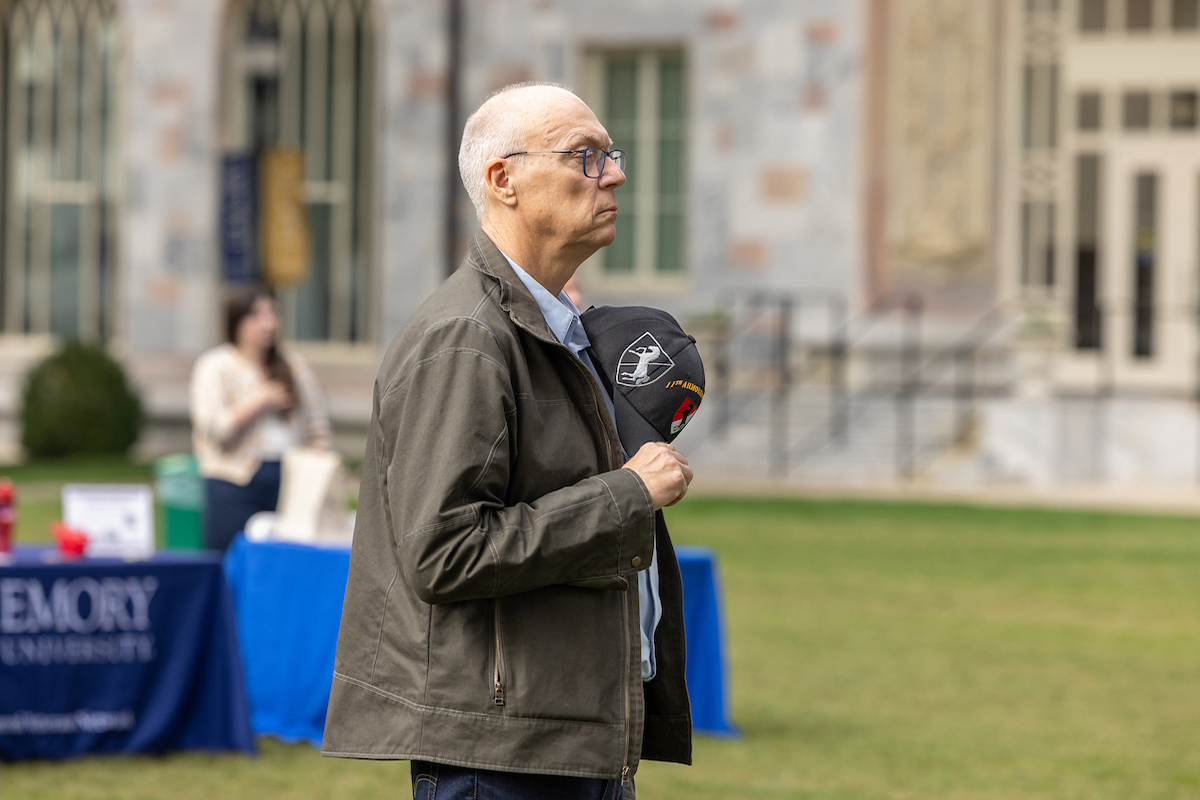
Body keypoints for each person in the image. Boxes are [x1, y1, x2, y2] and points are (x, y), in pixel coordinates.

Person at [322, 82, 694, 799]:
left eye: (609, 155)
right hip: (500, 757)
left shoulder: (550, 327)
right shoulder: (466, 339)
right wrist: (629, 493)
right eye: (585, 156)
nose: (613, 174)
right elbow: (445, 552)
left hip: (563, 737)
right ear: (504, 180)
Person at [189, 285, 332, 552]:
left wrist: (320, 471)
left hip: (291, 480)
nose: (268, 323)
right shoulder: (216, 365)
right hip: (234, 481)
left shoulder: (293, 365)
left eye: (273, 314)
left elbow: (318, 427)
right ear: (236, 321)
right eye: (256, 315)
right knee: (232, 565)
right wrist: (261, 400)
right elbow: (214, 430)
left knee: (284, 566)